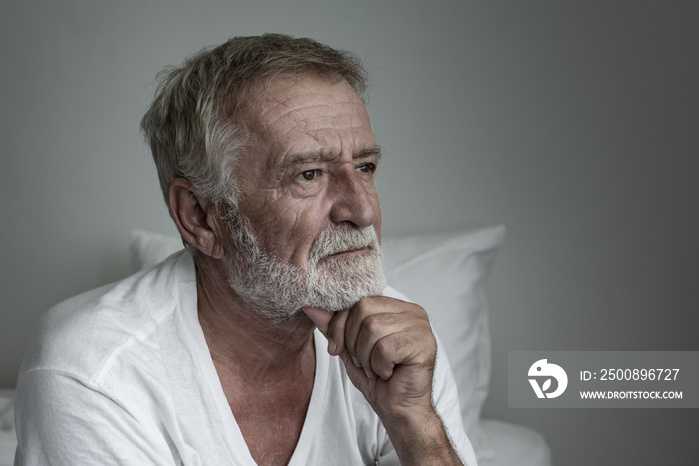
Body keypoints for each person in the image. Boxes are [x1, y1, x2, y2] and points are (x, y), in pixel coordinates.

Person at [14, 34, 477, 465]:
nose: (363, 210)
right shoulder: (94, 370)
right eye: (308, 174)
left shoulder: (397, 342)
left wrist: (416, 425)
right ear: (200, 216)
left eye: (365, 166)